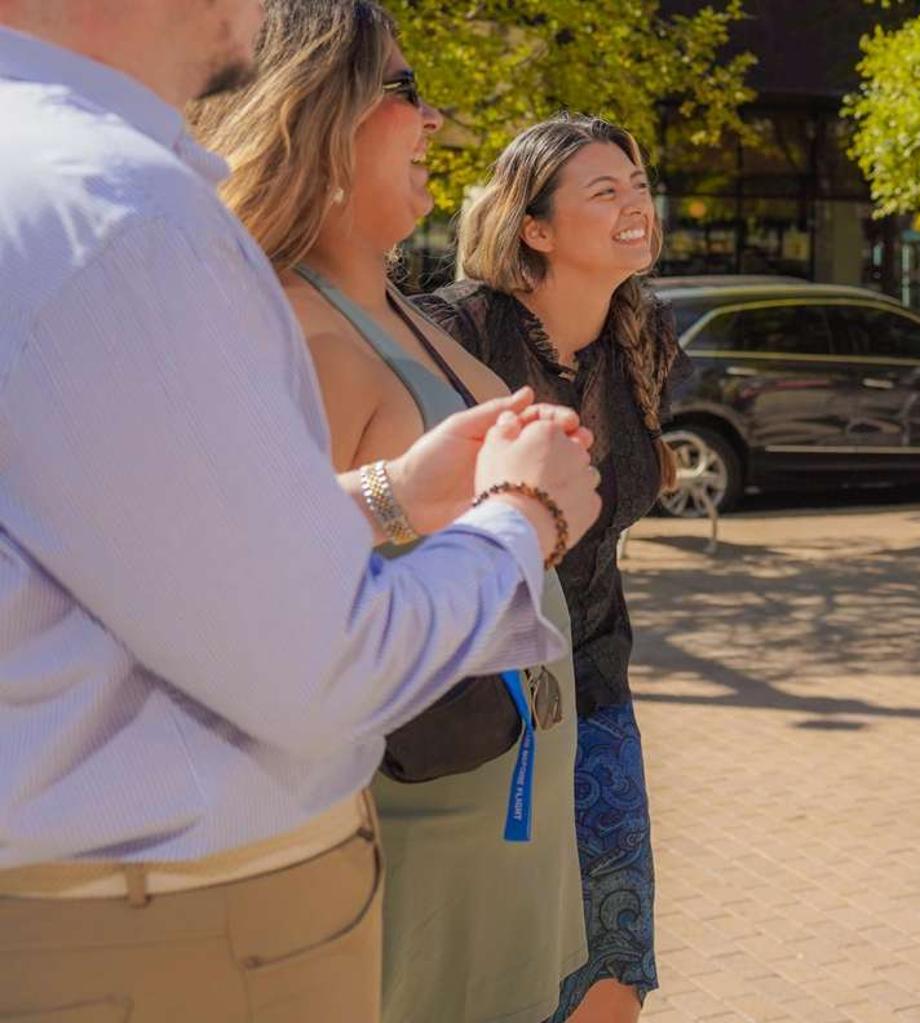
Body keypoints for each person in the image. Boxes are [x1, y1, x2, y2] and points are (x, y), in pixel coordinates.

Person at [0, 1, 601, 1020]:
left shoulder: (73, 188)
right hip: (185, 930)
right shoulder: (115, 211)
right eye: (406, 90)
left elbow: (168, 546)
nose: (437, 122)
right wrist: (523, 514)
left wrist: (390, 494)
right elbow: (319, 663)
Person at [188, 3, 590, 1020]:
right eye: (408, 89)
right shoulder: (296, 331)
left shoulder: (396, 303)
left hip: (506, 802)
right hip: (423, 818)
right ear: (321, 107)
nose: (437, 118)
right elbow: (277, 613)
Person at [414, 113, 680, 1023]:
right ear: (534, 227)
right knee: (488, 980)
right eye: (604, 192)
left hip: (597, 689)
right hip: (478, 713)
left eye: (638, 186)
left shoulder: (643, 334)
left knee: (613, 964)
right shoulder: (452, 331)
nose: (634, 205)